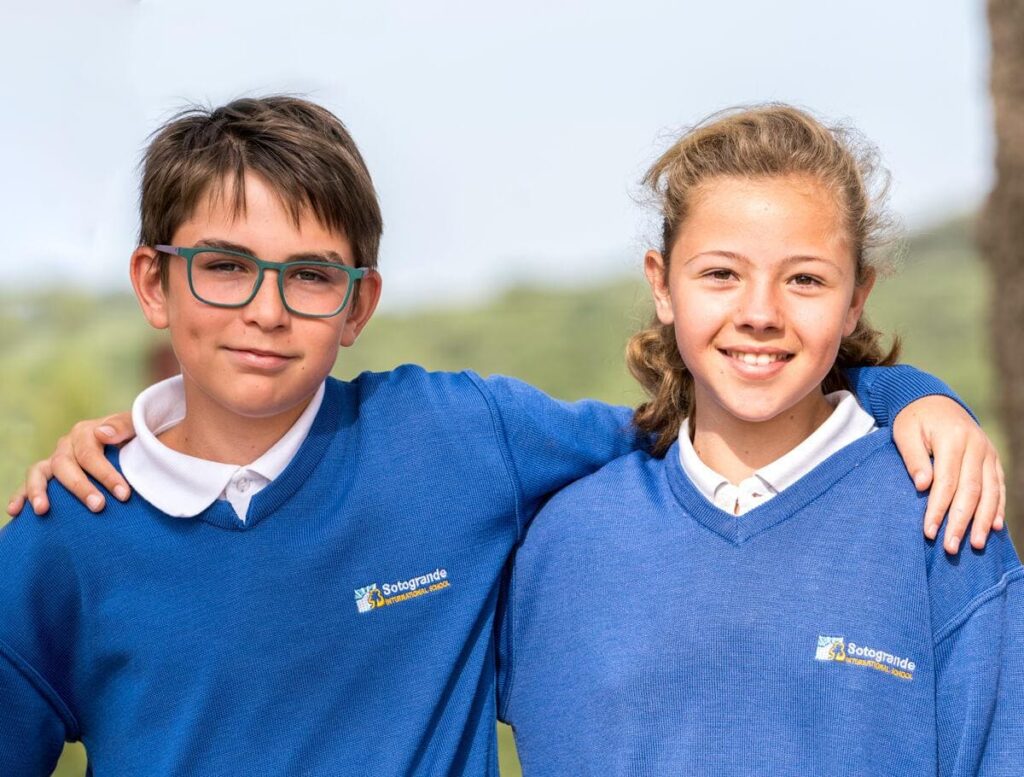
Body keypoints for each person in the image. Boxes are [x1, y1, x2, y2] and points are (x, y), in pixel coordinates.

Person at [0, 97, 1003, 776]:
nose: (265, 309)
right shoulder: (66, 530)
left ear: (359, 304)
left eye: (310, 275)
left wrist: (906, 394)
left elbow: (711, 412)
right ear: (154, 283)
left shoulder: (457, 440)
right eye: (224, 267)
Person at [497, 105, 1023, 775]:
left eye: (805, 279)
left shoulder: (942, 516)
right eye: (721, 274)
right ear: (662, 284)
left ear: (855, 298)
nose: (760, 313)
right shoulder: (564, 540)